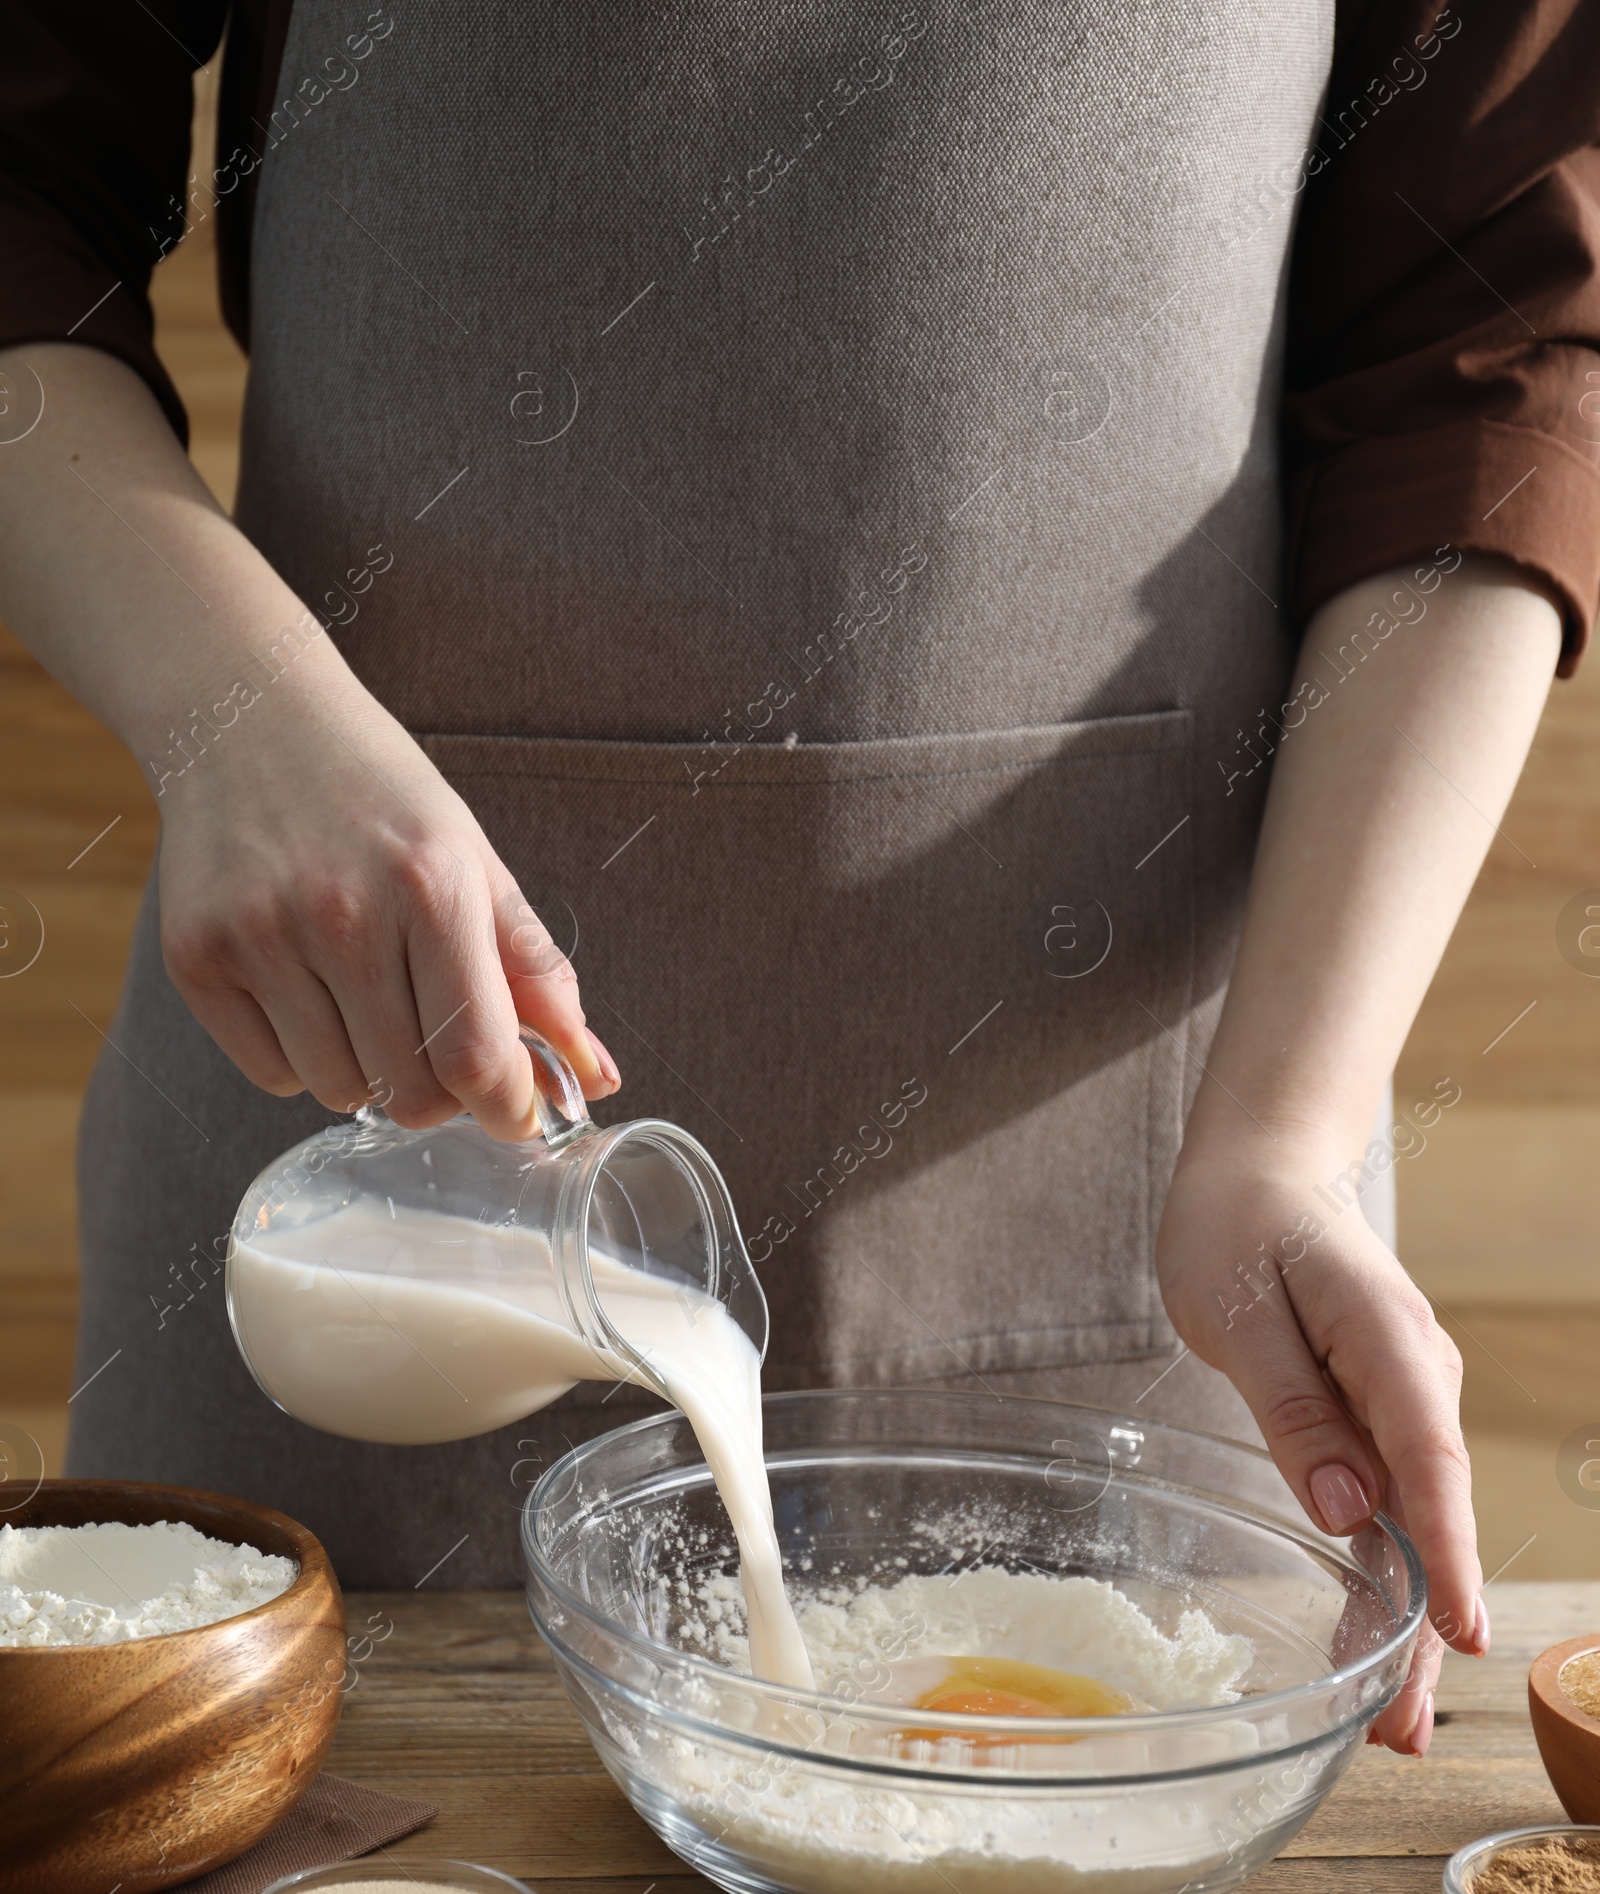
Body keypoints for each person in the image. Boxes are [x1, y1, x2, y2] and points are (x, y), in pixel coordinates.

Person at [1, 4, 1594, 1754]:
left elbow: (1495, 342)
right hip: (353, 1129)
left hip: (1151, 1188)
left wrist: (1284, 1132)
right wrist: (237, 718)